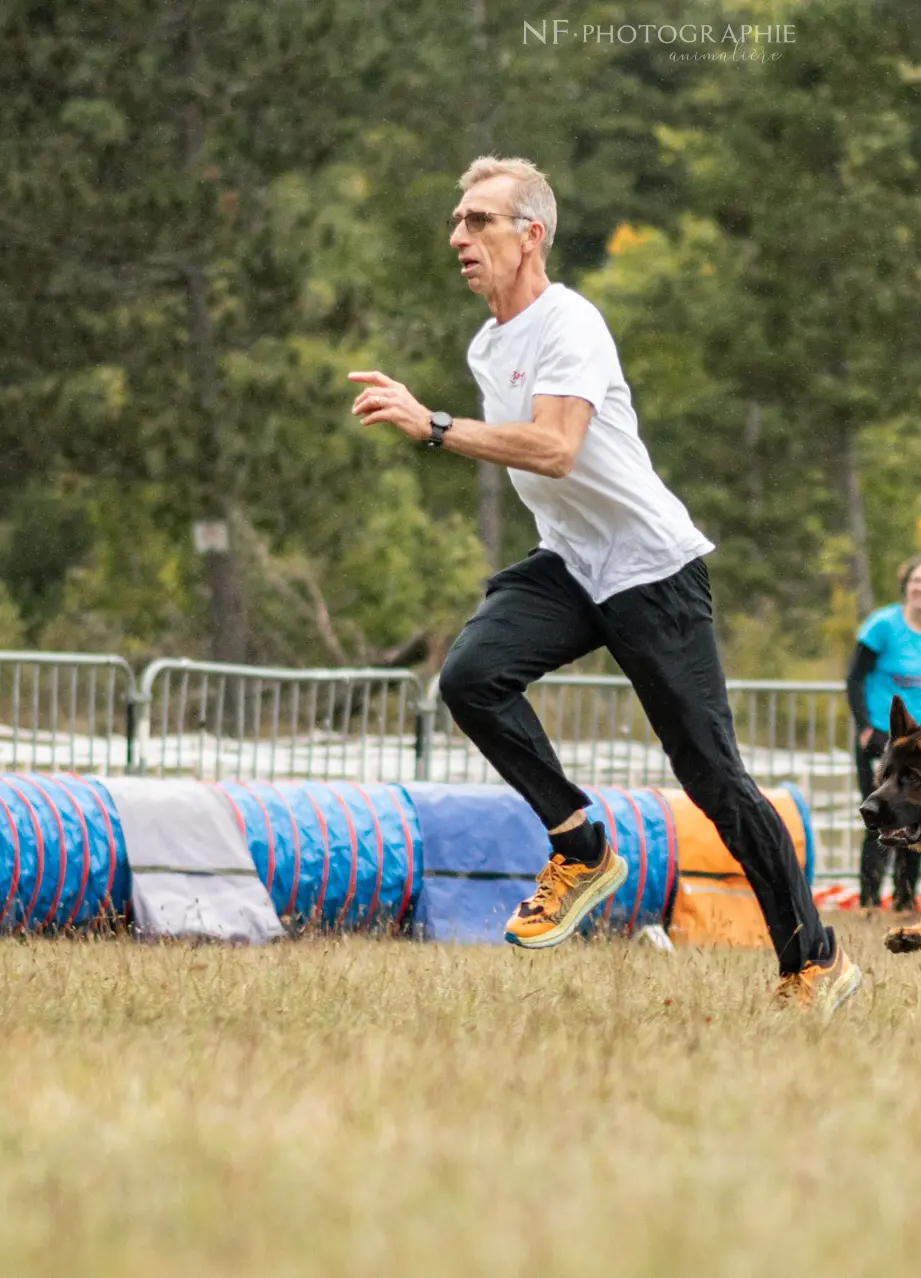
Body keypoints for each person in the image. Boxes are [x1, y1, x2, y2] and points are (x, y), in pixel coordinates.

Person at [348, 155, 860, 1013]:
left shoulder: (570, 322)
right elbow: (542, 468)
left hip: (651, 569)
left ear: (531, 234)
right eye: (457, 221)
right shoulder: (487, 344)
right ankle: (580, 843)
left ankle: (815, 961)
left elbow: (555, 448)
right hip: (573, 562)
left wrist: (434, 425)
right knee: (471, 677)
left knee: (715, 783)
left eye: (479, 221)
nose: (459, 238)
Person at [846, 555, 921, 913]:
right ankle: (869, 899)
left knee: (917, 815)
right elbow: (854, 678)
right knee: (878, 813)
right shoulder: (882, 625)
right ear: (906, 588)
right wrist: (865, 727)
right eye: (916, 581)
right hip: (885, 737)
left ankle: (905, 897)